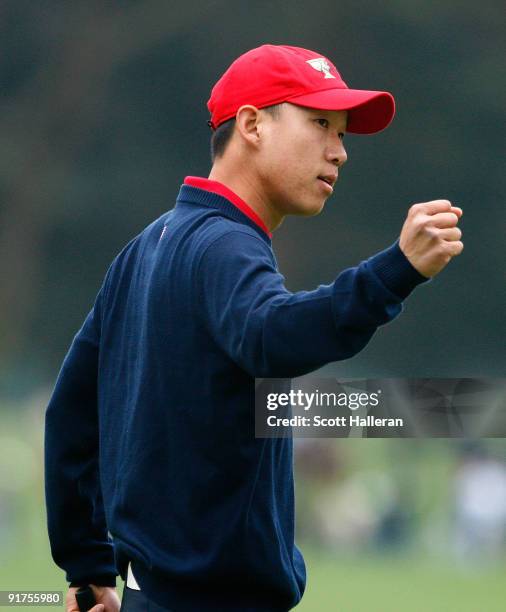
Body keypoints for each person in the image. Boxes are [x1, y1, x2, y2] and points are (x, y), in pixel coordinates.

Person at [44, 44, 463, 612]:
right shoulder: (226, 244)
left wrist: (88, 564)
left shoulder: (145, 248)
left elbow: (70, 413)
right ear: (251, 125)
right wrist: (395, 271)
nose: (339, 152)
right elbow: (272, 336)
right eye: (320, 123)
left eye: (341, 133)